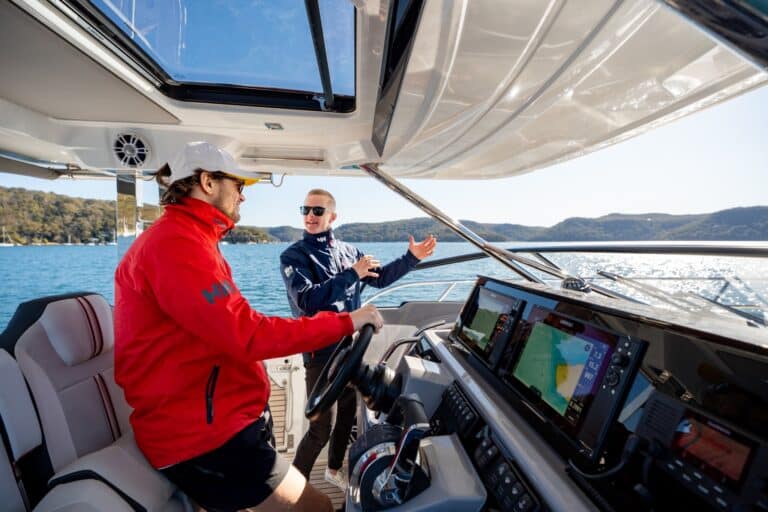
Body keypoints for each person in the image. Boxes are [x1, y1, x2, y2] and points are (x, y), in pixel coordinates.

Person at [114, 142, 384, 512]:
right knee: (318, 508)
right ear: (208, 182)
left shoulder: (190, 238)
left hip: (214, 422)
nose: (243, 196)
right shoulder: (176, 244)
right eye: (238, 185)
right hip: (204, 438)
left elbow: (225, 329)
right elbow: (249, 334)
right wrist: (346, 321)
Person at [279, 188, 437, 489]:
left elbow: (382, 278)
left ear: (332, 216)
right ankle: (293, 488)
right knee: (319, 428)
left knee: (348, 416)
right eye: (305, 210)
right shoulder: (293, 257)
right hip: (320, 352)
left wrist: (411, 258)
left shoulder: (349, 252)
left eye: (317, 211)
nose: (310, 216)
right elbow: (307, 301)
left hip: (350, 348)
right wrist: (352, 274)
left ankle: (334, 469)